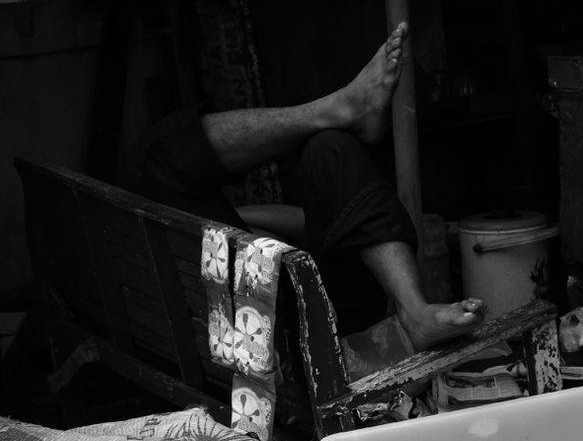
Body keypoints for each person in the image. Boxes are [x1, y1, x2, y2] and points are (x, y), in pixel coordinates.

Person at [131, 22, 486, 351]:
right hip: (267, 328)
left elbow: (304, 222)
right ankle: (336, 108)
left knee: (329, 147)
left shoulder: (217, 221)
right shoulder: (174, 208)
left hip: (316, 303)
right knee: (161, 154)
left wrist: (239, 215)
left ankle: (415, 313)